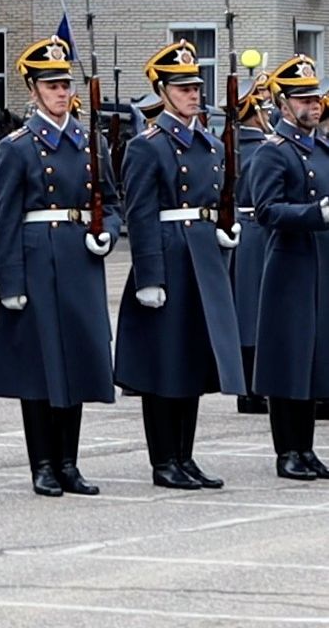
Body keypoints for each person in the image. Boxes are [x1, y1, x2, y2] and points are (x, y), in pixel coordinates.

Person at [0, 36, 121, 496]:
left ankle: (69, 461)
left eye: (65, 84)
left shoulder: (90, 140)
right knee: (40, 368)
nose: (61, 92)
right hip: (37, 256)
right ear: (33, 90)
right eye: (51, 85)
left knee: (79, 362)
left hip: (80, 257)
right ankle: (42, 463)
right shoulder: (18, 147)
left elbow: (114, 201)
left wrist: (109, 232)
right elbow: (4, 218)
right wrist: (9, 281)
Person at [116, 39, 244, 490]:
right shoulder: (147, 146)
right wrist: (148, 275)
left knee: (191, 362)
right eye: (182, 87)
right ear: (162, 91)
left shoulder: (210, 143)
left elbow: (217, 198)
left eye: (195, 86)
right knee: (163, 364)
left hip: (202, 257)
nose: (193, 93)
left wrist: (223, 233)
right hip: (169, 255)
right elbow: (140, 212)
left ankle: (185, 457)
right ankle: (163, 459)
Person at [249, 54, 329, 480]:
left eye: (315, 98)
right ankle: (287, 452)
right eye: (302, 99)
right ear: (283, 105)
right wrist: (315, 213)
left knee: (314, 358)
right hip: (289, 264)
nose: (312, 106)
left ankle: (307, 449)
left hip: (320, 263)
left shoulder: (322, 149)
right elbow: (266, 211)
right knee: (288, 358)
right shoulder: (273, 152)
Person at [230, 76, 271, 415]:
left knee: (246, 308)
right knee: (254, 311)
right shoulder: (260, 149)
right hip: (257, 230)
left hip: (241, 230)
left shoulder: (232, 145)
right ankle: (251, 388)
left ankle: (248, 388)